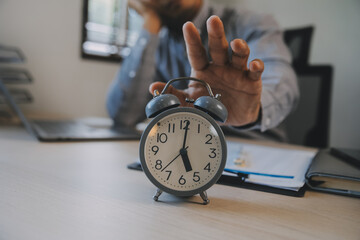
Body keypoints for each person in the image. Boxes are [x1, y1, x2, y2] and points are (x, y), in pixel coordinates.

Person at [106, 0, 298, 142]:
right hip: (186, 149)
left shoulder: (251, 23)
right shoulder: (155, 45)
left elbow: (283, 83)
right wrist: (148, 25)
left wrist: (253, 109)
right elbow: (123, 116)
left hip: (254, 149)